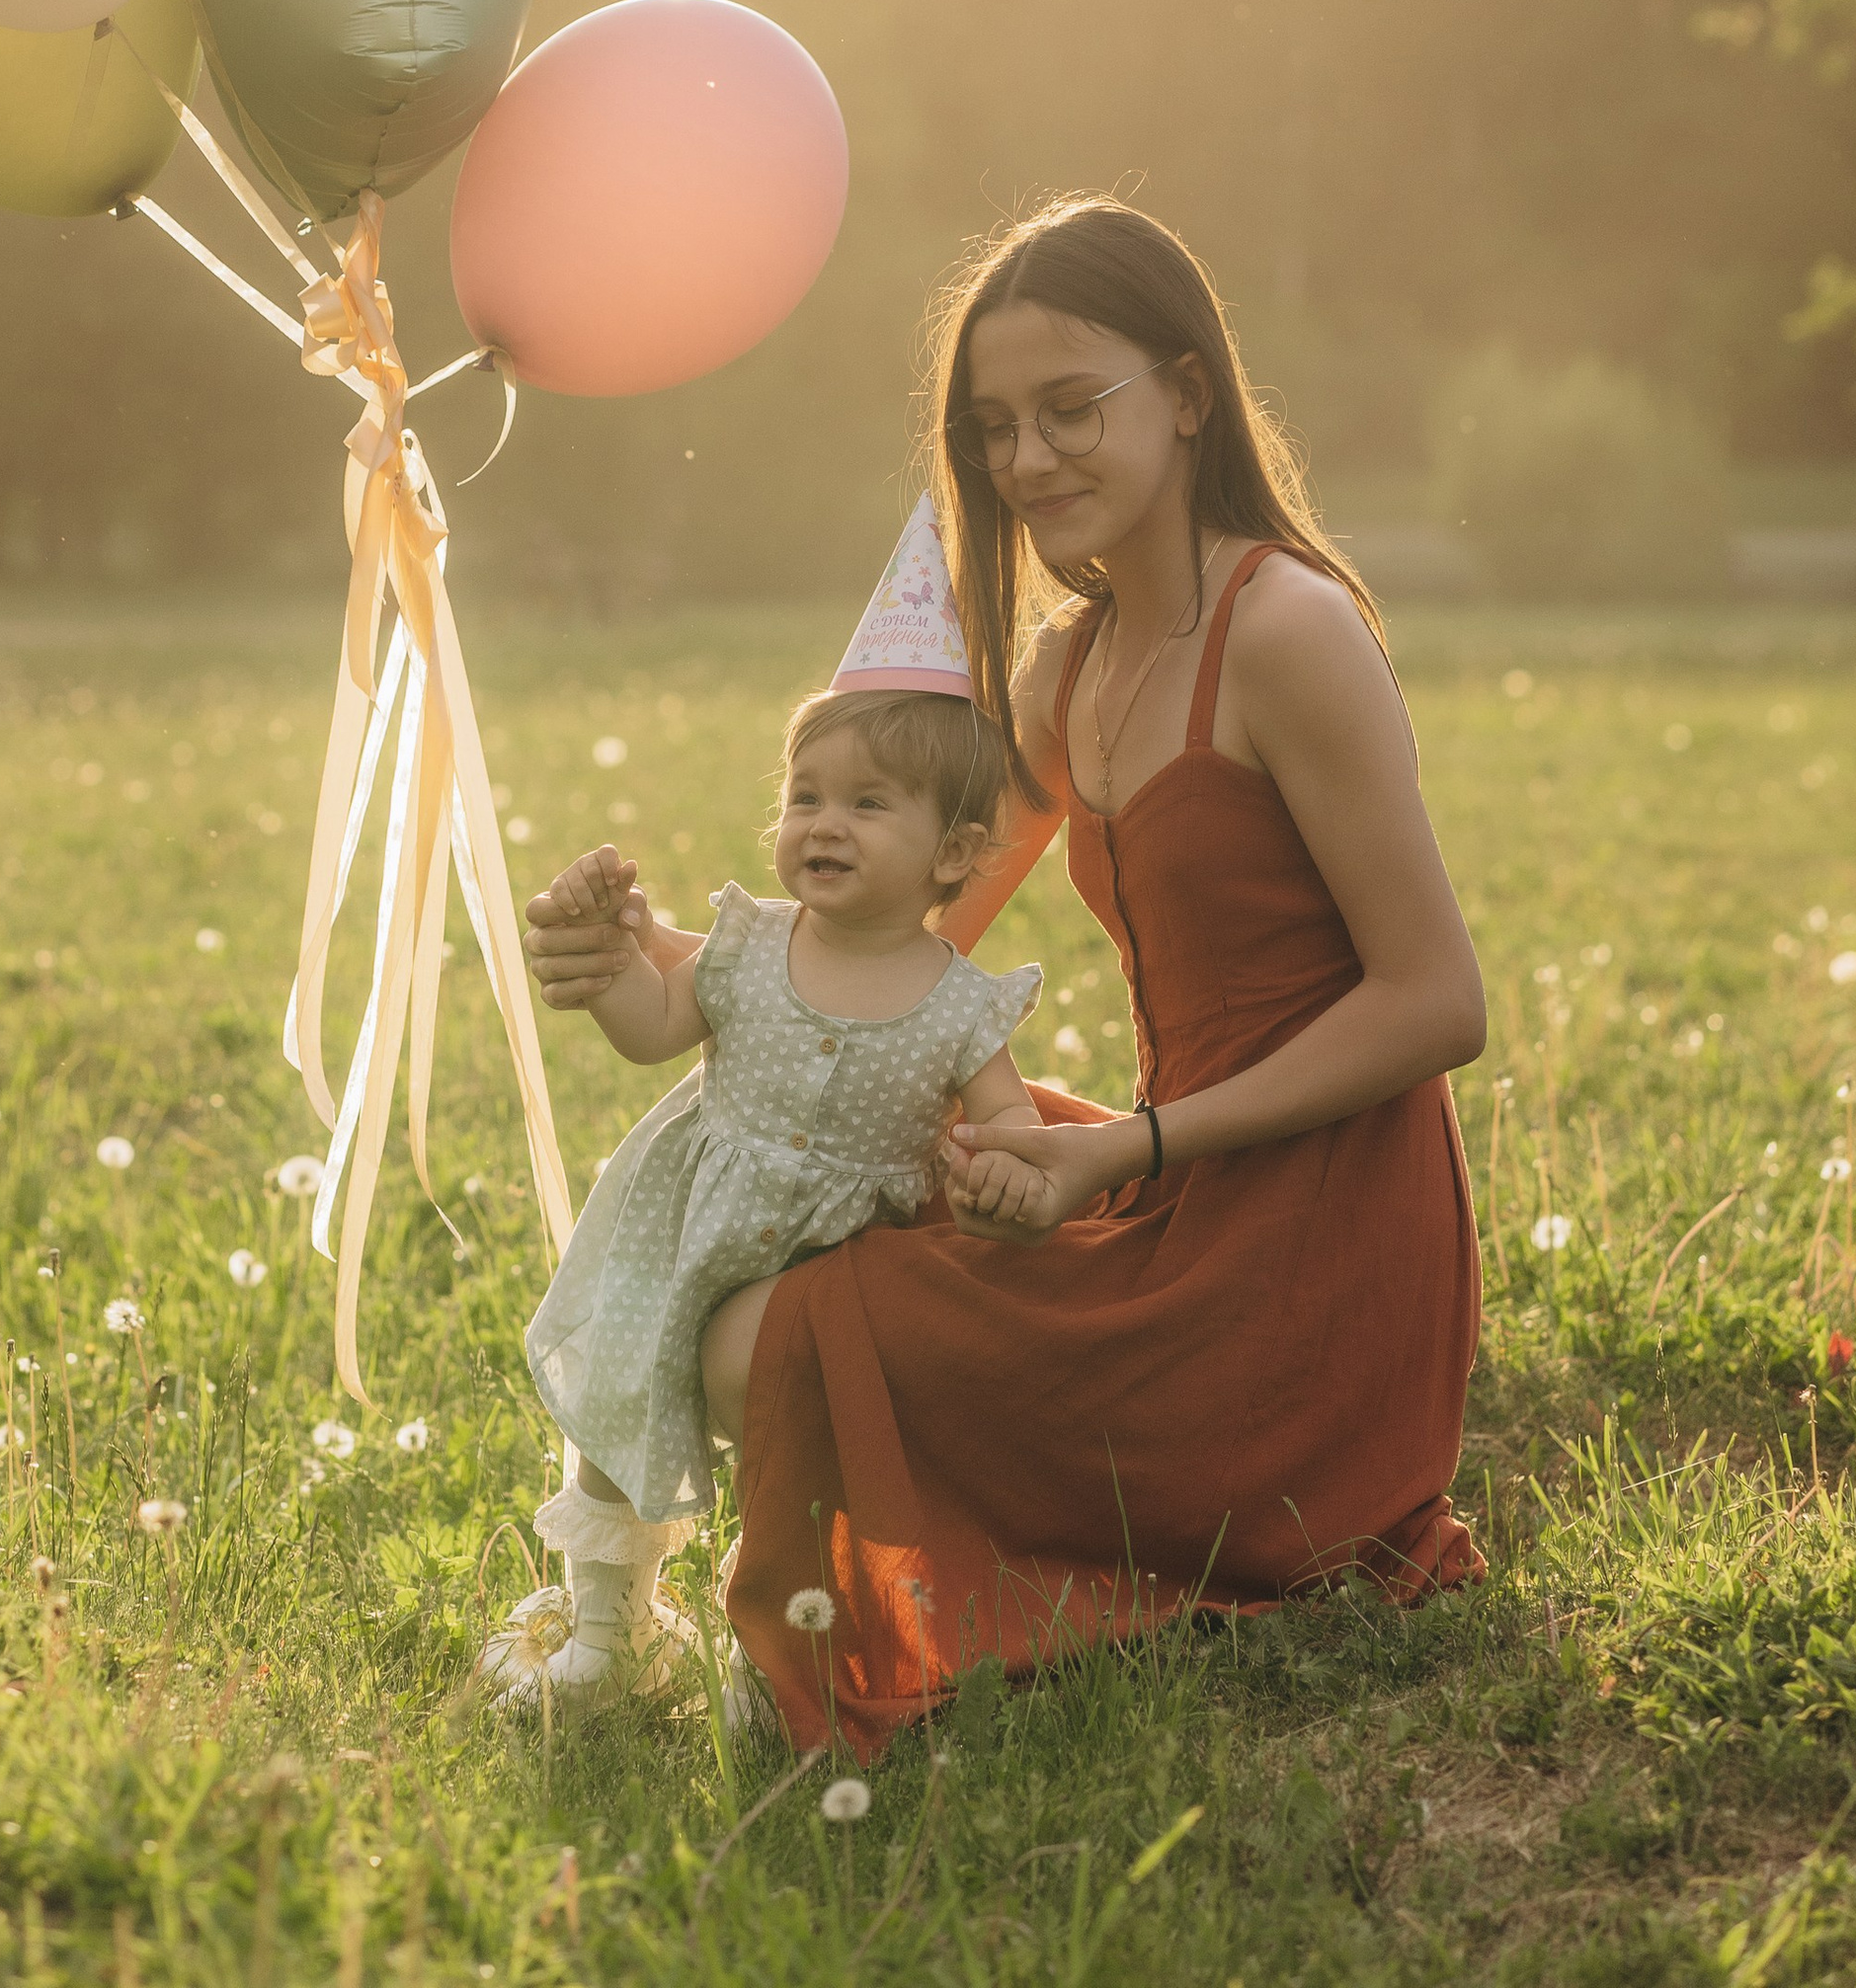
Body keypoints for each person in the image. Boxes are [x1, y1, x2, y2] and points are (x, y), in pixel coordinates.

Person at [523, 194, 1489, 1753]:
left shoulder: (1287, 632)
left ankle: (1007, 1557)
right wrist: (647, 953)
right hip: (1167, 1186)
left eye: (1069, 407)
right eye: (993, 427)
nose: (1027, 459)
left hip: (1313, 1251)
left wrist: (1126, 1148)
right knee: (815, 1252)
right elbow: (891, 948)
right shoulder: (1069, 667)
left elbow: (1438, 1002)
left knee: (768, 1344)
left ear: (1187, 394)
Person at [482, 532, 1042, 1703]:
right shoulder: (747, 944)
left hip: (836, 1272)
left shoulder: (959, 1005)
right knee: (618, 1412)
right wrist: (611, 964)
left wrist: (1005, 1172)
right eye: (805, 797)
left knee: (804, 1466)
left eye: (868, 804)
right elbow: (655, 1025)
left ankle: (779, 1645)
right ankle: (610, 1637)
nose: (823, 823)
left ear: (955, 852)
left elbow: (1011, 1129)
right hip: (682, 1225)